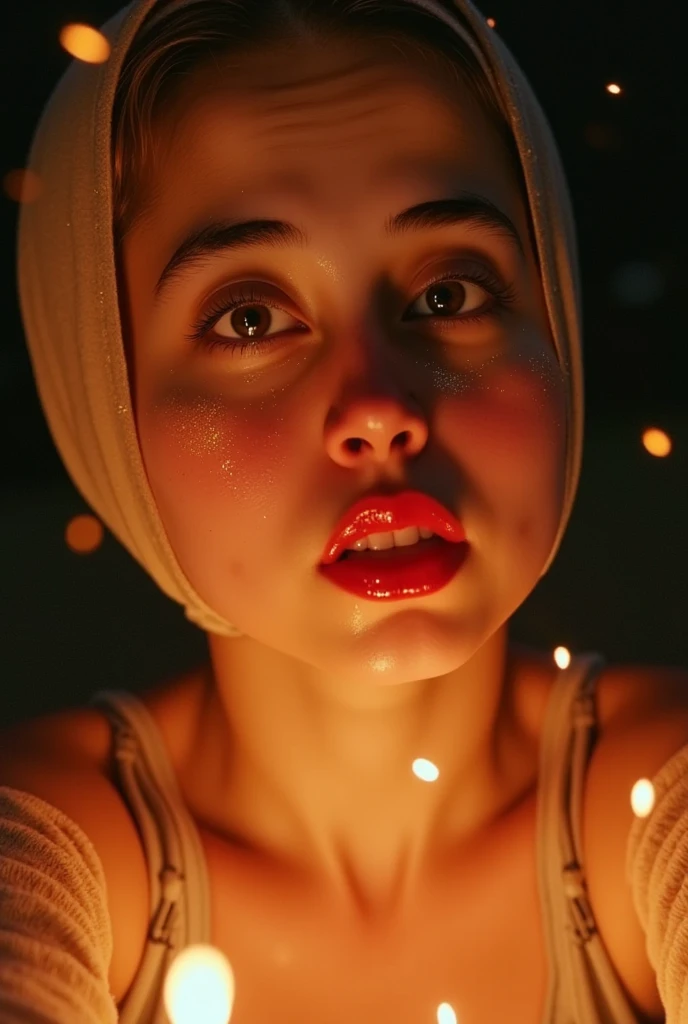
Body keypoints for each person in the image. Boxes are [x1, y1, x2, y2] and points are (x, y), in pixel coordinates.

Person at [2, 0, 687, 1022]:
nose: (376, 407)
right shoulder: (47, 844)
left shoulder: (657, 784)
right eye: (250, 317)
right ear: (104, 391)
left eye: (449, 294)